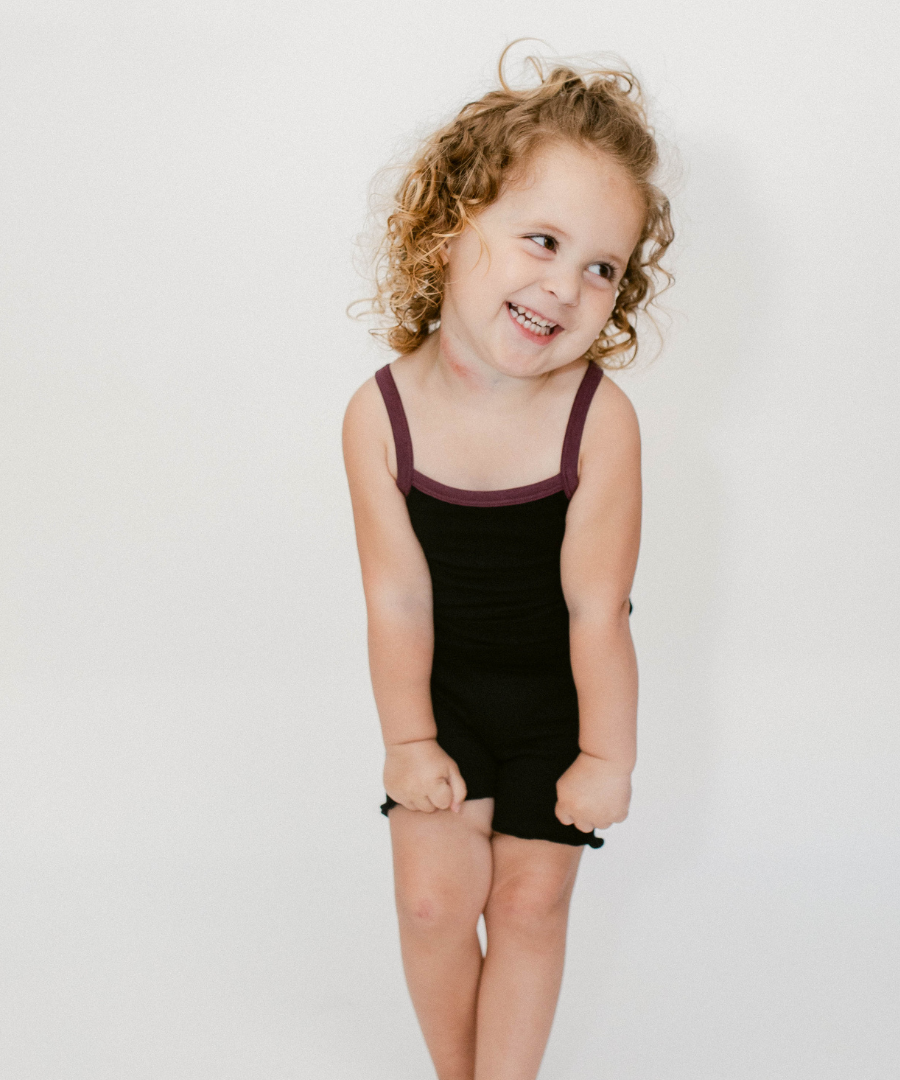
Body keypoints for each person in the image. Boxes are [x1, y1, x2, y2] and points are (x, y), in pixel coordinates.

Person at [342, 49, 674, 1080]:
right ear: (450, 227)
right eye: (543, 240)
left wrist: (607, 758)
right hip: (443, 699)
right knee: (432, 903)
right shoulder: (379, 415)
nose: (567, 286)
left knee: (530, 906)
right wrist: (408, 739)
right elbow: (395, 595)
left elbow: (598, 610)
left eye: (602, 268)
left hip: (555, 706)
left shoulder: (599, 420)